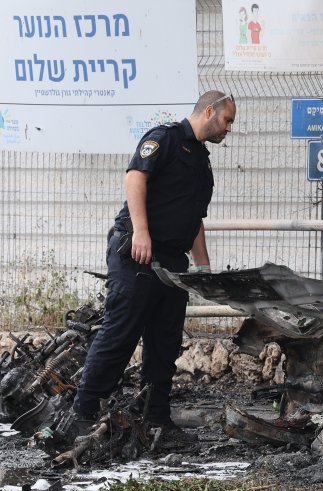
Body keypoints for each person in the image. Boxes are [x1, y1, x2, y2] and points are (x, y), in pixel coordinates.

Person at [72, 90, 237, 442]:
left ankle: (155, 420)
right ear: (209, 111)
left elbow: (195, 218)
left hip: (173, 262)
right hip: (138, 253)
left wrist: (204, 266)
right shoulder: (164, 139)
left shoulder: (201, 160)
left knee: (164, 343)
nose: (228, 129)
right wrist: (142, 233)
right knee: (120, 334)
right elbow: (135, 177)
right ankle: (82, 415)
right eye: (227, 121)